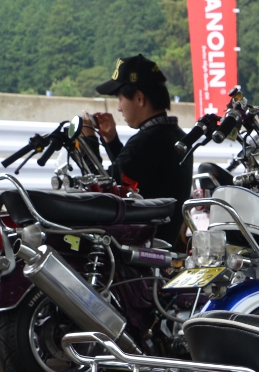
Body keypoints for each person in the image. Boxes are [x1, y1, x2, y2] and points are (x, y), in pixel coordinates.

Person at [82, 54, 192, 244]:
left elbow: (101, 192)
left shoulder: (146, 142)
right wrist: (112, 141)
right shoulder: (177, 136)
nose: (119, 108)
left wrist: (88, 142)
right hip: (165, 242)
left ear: (139, 98)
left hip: (141, 248)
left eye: (120, 99)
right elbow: (132, 176)